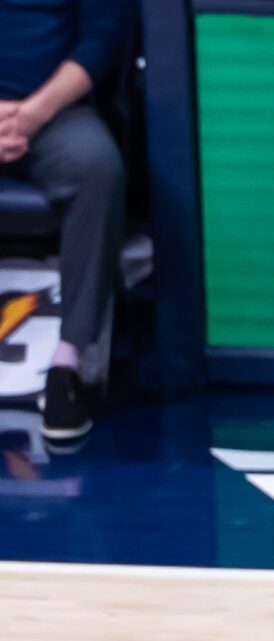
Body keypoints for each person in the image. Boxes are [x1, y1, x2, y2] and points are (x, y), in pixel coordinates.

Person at [0, 0, 138, 441]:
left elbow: (102, 38)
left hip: (54, 113)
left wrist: (31, 115)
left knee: (97, 166)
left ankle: (68, 362)